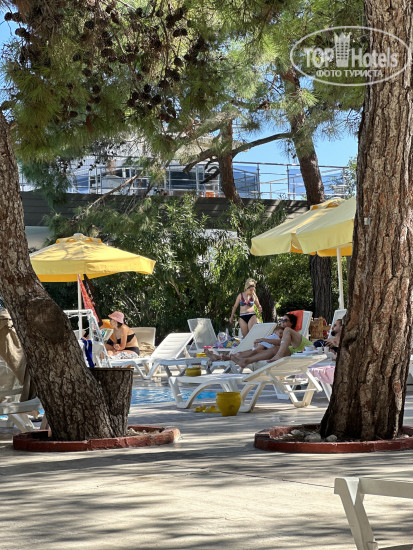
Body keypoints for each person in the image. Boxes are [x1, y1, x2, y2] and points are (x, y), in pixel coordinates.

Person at [233, 313, 312, 369]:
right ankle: (246, 361)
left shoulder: (291, 332)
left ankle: (278, 355)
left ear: (292, 323)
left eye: (285, 320)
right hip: (293, 352)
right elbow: (282, 343)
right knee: (274, 349)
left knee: (287, 330)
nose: (282, 322)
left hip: (305, 348)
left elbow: (281, 342)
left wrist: (263, 339)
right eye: (281, 320)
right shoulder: (280, 334)